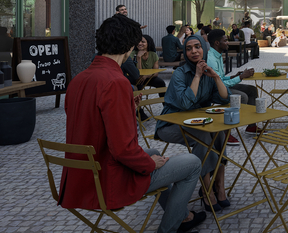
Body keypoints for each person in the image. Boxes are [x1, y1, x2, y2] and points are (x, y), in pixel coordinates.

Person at [60, 16, 205, 233]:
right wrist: (149, 165)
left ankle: (181, 216)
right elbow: (122, 149)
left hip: (82, 176)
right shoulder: (116, 82)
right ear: (129, 46)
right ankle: (169, 228)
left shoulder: (79, 79)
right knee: (192, 163)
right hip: (109, 180)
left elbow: (91, 121)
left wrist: (126, 106)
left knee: (154, 150)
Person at [156, 34, 231, 211]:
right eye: (188, 48)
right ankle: (206, 191)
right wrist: (197, 76)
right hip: (170, 124)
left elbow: (224, 99)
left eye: (197, 46)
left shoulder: (208, 70)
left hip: (198, 122)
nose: (194, 51)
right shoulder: (180, 74)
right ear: (184, 52)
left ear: (203, 49)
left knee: (221, 132)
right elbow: (184, 103)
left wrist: (216, 78)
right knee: (203, 135)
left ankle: (219, 185)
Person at [206, 29, 260, 142]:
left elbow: (221, 78)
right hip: (214, 90)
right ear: (217, 43)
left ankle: (251, 126)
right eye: (225, 40)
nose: (228, 42)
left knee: (251, 90)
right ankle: (225, 133)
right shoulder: (211, 58)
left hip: (221, 85)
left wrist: (234, 76)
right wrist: (240, 77)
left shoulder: (217, 54)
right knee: (241, 97)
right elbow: (218, 83)